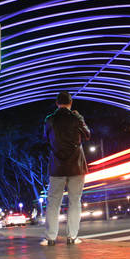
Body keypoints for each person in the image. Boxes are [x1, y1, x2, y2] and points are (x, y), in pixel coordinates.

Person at [40, 91, 90, 246]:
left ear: (57, 103)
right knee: (75, 201)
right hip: (76, 165)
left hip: (57, 166)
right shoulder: (76, 118)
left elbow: (45, 138)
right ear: (71, 103)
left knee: (53, 202)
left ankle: (51, 238)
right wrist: (80, 119)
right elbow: (87, 135)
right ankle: (72, 237)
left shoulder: (50, 120)